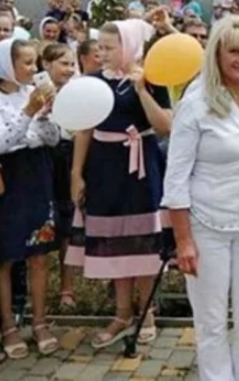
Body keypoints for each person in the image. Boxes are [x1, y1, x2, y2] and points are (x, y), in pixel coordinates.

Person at [163, 16, 239, 381]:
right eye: (234, 52)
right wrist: (183, 240)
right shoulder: (195, 104)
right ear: (217, 55)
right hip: (206, 226)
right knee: (211, 323)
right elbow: (175, 178)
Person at [66, 19, 172, 349]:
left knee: (143, 238)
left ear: (128, 47)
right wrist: (76, 173)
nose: (103, 53)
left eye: (110, 47)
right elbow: (84, 128)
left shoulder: (152, 79)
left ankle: (147, 311)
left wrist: (142, 91)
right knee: (114, 238)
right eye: (100, 47)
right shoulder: (93, 81)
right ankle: (122, 312)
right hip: (105, 167)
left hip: (142, 167)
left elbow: (165, 126)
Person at [0, 39, 60, 359]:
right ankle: (8, 326)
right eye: (26, 62)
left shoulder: (31, 93)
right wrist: (28, 114)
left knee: (39, 254)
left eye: (34, 62)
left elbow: (51, 138)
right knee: (6, 256)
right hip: (8, 180)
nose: (33, 69)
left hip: (37, 175)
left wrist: (46, 116)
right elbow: (3, 142)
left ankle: (39, 321)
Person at [41, 43, 78, 310]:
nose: (69, 69)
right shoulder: (34, 91)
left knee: (67, 224)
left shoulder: (77, 91)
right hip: (41, 158)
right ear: (47, 64)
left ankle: (67, 288)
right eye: (64, 64)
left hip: (68, 156)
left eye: (72, 64)